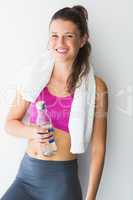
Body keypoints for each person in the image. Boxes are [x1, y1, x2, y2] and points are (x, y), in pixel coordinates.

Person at [1, 5, 108, 200]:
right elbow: (10, 123)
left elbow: (98, 149)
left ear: (83, 39)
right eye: (54, 35)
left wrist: (91, 198)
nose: (60, 42)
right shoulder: (33, 78)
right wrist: (32, 131)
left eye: (68, 36)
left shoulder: (97, 87)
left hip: (61, 183)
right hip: (26, 177)